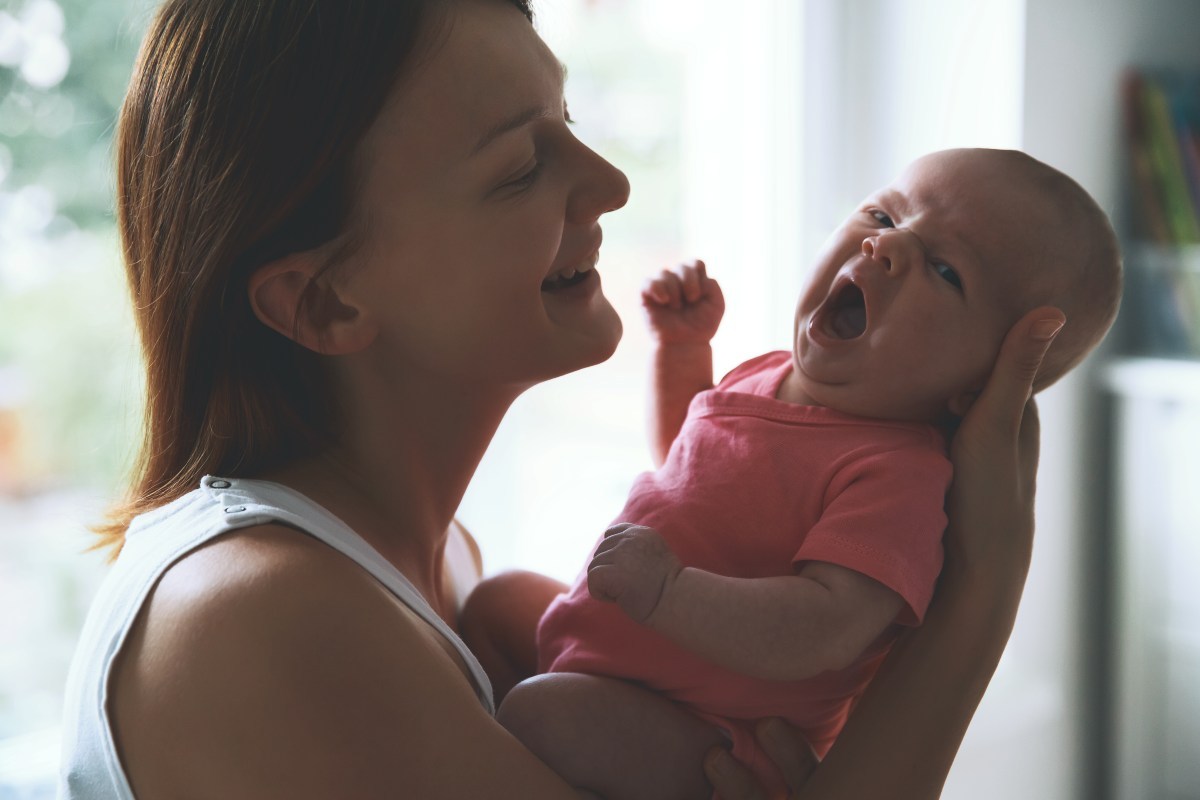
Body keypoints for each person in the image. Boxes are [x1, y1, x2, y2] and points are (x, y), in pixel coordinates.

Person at [54, 0, 1073, 797]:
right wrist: (977, 599)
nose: (612, 184)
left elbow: (710, 461)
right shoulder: (266, 620)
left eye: (569, 122)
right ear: (325, 298)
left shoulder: (435, 564)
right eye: (519, 167)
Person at [479, 149, 1121, 799]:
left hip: (710, 733)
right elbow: (691, 461)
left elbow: (825, 628)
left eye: (947, 269)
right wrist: (683, 351)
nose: (887, 245)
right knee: (495, 601)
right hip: (617, 655)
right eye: (882, 213)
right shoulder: (771, 373)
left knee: (539, 714)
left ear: (978, 386)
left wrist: (671, 592)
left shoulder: (897, 476)